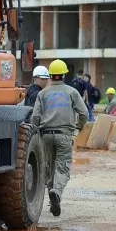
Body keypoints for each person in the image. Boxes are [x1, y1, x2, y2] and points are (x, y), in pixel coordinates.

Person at [30, 59, 87, 217]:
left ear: (50, 76)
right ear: (63, 75)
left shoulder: (42, 93)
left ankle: (52, 200)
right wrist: (76, 129)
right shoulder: (71, 92)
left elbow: (35, 117)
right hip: (64, 135)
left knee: (49, 167)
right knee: (62, 167)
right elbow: (84, 114)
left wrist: (38, 134)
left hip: (46, 135)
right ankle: (56, 192)